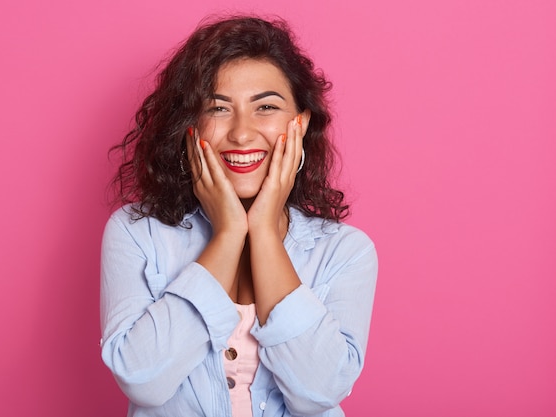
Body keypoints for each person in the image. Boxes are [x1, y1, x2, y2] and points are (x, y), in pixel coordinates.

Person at [100, 15, 377, 417]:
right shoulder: (136, 232)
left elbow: (319, 393)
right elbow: (144, 381)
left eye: (266, 107)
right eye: (218, 108)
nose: (242, 133)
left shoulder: (345, 251)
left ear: (299, 123)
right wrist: (229, 233)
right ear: (190, 127)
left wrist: (263, 231)